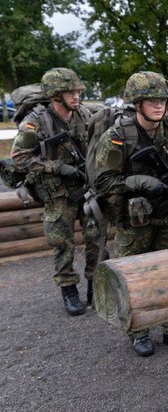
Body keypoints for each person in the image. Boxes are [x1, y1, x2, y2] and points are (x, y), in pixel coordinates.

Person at [92, 71, 168, 357]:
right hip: (134, 221)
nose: (158, 105)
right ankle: (138, 331)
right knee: (134, 277)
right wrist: (136, 182)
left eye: (162, 100)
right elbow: (101, 182)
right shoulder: (117, 137)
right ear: (137, 103)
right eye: (151, 100)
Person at [10, 67, 100, 315]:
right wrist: (55, 167)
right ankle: (68, 289)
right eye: (70, 92)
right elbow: (19, 158)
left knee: (96, 237)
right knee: (62, 243)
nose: (76, 96)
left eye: (77, 91)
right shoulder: (36, 121)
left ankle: (95, 284)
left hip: (85, 187)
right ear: (55, 96)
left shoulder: (83, 113)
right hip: (57, 192)